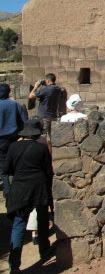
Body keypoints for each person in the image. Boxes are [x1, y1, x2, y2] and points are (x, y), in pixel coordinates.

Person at [3, 118, 55, 273]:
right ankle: (44, 248)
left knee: (19, 224)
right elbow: (48, 170)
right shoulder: (41, 148)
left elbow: (7, 169)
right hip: (39, 188)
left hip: (20, 189)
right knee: (42, 217)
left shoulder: (13, 148)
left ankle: (14, 265)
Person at [0, 83, 28, 199]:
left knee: (2, 165)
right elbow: (25, 122)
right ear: (9, 92)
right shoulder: (16, 105)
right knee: (15, 164)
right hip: (14, 139)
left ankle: (7, 189)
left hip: (1, 140)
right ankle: (16, 189)